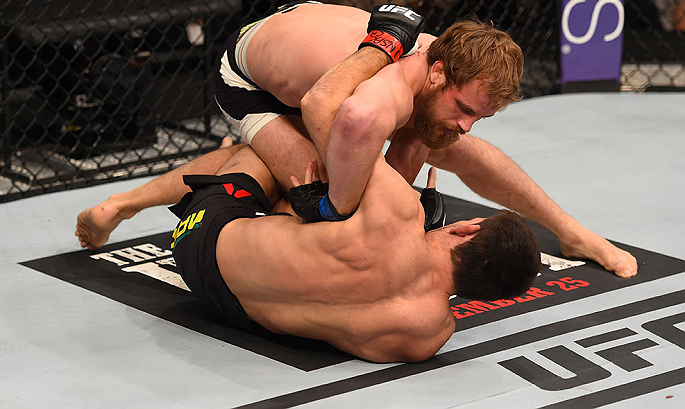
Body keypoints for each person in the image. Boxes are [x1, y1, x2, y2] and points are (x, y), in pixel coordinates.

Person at [77, 2, 637, 279]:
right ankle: (122, 203)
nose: (468, 120)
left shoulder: (451, 60)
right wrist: (382, 196)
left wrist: (406, 177)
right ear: (439, 74)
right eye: (467, 108)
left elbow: (413, 146)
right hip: (248, 76)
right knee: (301, 181)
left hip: (314, 55)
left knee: (449, 145)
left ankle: (571, 232)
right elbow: (328, 110)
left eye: (480, 114)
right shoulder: (379, 92)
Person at [167, 140, 541, 363]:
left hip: (200, 237)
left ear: (465, 230)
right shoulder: (430, 335)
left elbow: (347, 127)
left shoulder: (398, 215)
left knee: (269, 147)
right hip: (228, 309)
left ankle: (122, 204)